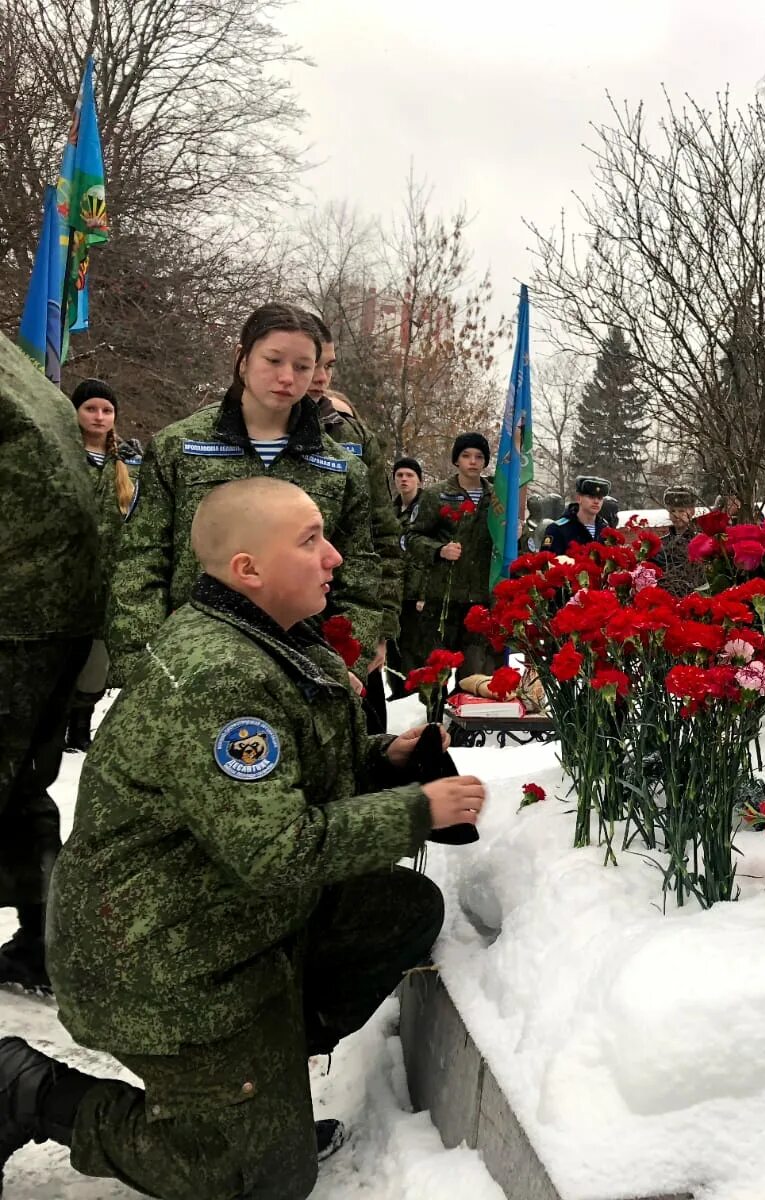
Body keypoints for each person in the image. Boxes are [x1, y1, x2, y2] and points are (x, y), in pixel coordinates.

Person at [0, 477, 485, 1199]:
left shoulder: (275, 641)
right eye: (311, 540)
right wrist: (418, 810)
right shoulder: (219, 676)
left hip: (224, 922)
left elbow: (284, 773)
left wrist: (381, 760)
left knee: (396, 908)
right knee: (257, 1179)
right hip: (154, 957)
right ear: (247, 570)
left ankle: (254, 1089)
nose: (334, 558)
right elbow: (276, 848)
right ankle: (30, 1090)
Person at [107, 303, 387, 690]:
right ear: (242, 359)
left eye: (303, 367)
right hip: (190, 662)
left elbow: (358, 575)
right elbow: (141, 558)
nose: (287, 377)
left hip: (301, 668)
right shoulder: (181, 447)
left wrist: (344, 668)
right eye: (273, 360)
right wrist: (143, 661)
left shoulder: (339, 467)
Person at [0, 334, 102, 995]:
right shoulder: (20, 369)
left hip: (11, 611)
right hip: (54, 613)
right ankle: (44, 943)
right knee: (24, 790)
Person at [306, 318, 406, 729]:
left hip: (344, 616)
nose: (320, 378)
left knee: (362, 735)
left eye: (327, 366)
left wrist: (381, 627)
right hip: (260, 622)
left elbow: (382, 536)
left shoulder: (354, 440)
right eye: (310, 364)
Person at [64, 379, 141, 753]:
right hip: (61, 576)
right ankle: (55, 724)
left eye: (107, 410)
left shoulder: (127, 465)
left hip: (108, 581)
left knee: (96, 662)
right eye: (91, 408)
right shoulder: (60, 453)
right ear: (76, 412)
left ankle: (81, 724)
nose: (99, 416)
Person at [406, 432, 501, 679]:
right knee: (437, 673)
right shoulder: (436, 494)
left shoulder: (497, 498)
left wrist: (517, 532)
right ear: (456, 460)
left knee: (475, 674)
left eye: (479, 457)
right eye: (466, 455)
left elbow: (506, 544)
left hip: (481, 598)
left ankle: (469, 718)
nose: (473, 462)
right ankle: (435, 717)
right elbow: (412, 538)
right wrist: (439, 550)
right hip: (442, 599)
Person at [391, 457, 429, 692]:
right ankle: (399, 692)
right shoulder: (390, 510)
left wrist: (425, 592)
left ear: (419, 479)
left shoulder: (427, 509)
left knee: (418, 651)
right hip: (395, 591)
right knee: (396, 649)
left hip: (419, 594)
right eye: (400, 475)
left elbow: (431, 553)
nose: (404, 480)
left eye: (409, 475)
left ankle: (420, 695)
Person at [540, 475, 616, 557]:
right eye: (591, 497)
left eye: (600, 498)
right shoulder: (558, 529)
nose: (596, 501)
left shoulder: (605, 530)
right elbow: (546, 562)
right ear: (579, 498)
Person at [654, 486, 704, 597]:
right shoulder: (661, 544)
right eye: (672, 511)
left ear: (692, 512)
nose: (676, 515)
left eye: (681, 511)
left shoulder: (700, 542)